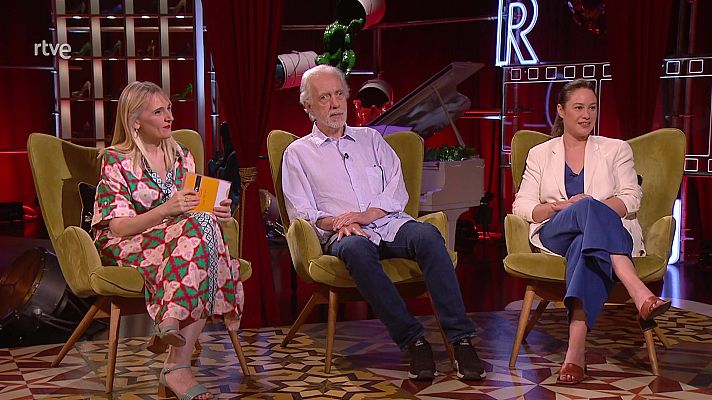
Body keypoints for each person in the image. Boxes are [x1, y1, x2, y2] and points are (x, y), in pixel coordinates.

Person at [281, 64, 486, 381]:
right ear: (308, 106)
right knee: (356, 251)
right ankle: (413, 340)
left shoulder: (372, 140)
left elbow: (396, 189)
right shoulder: (298, 153)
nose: (335, 104)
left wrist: (368, 215)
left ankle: (461, 340)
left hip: (387, 223)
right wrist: (337, 222)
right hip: (343, 234)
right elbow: (301, 210)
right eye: (324, 98)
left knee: (429, 236)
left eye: (339, 94)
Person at [512, 79, 671, 385]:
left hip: (593, 237)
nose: (586, 115)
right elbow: (523, 206)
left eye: (592, 108)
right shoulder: (540, 153)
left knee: (584, 243)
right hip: (555, 231)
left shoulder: (616, 149)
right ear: (561, 111)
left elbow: (631, 198)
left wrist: (593, 210)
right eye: (579, 107)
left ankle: (575, 350)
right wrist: (562, 207)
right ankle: (638, 291)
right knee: (584, 208)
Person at [92, 81, 243, 400]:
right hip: (130, 239)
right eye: (159, 112)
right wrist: (165, 210)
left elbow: (196, 212)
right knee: (203, 243)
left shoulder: (182, 156)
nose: (169, 117)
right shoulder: (116, 160)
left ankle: (173, 337)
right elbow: (118, 227)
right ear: (135, 121)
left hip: (181, 238)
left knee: (205, 230)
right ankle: (176, 360)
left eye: (170, 109)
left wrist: (218, 212)